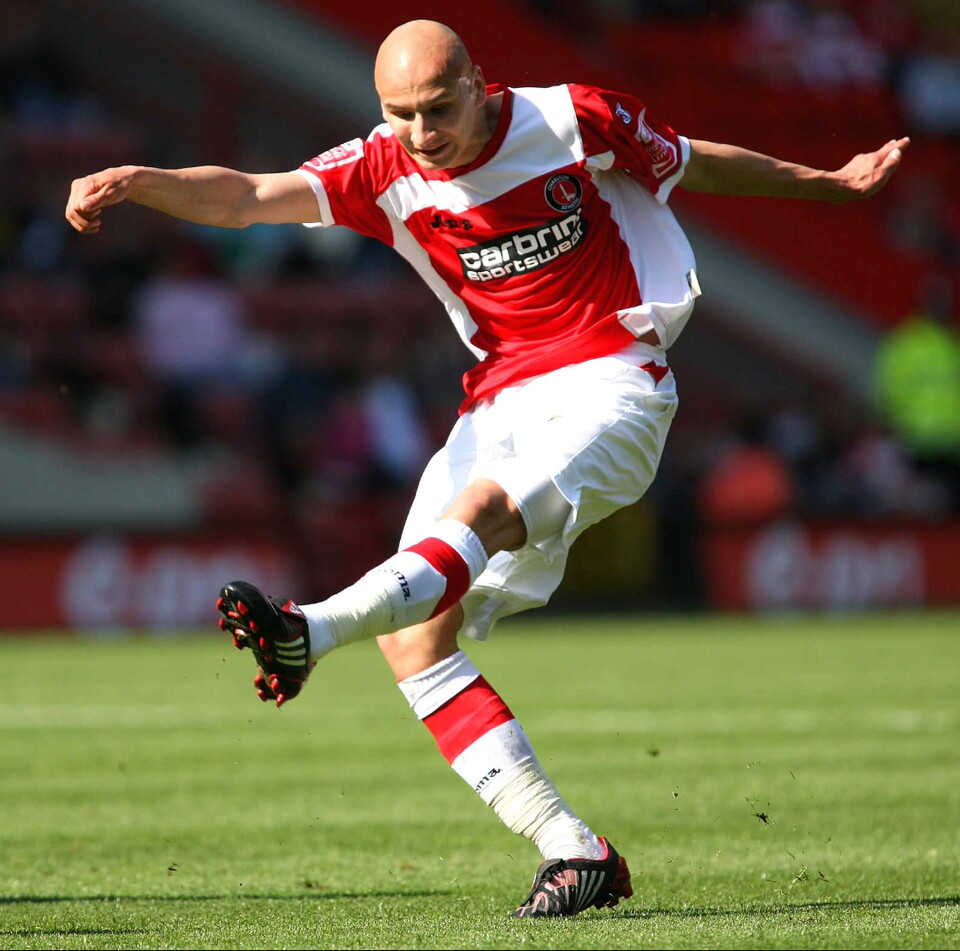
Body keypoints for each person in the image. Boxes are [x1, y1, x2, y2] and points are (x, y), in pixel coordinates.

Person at [65, 19, 908, 918]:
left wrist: (827, 182)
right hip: (497, 402)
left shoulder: (571, 120)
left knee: (484, 508)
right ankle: (574, 850)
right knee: (414, 640)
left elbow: (694, 161)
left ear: (477, 81)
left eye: (437, 108)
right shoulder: (382, 167)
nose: (421, 133)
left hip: (613, 381)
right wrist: (144, 181)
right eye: (400, 113)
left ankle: (309, 629)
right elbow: (245, 196)